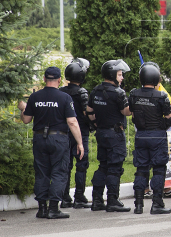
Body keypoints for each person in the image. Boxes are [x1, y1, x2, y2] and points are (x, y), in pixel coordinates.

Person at [19, 67, 84, 219]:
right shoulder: (65, 97)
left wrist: (23, 109)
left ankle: (42, 208)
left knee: (41, 173)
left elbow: (26, 120)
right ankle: (54, 209)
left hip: (40, 138)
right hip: (59, 139)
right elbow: (72, 122)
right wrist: (80, 143)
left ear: (44, 79)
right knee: (59, 172)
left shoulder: (35, 97)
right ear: (60, 80)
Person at [129, 62, 171, 215]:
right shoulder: (161, 96)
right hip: (157, 135)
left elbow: (133, 115)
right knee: (159, 170)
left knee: (141, 170)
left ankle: (139, 205)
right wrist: (162, 127)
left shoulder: (134, 94)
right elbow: (169, 118)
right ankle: (157, 203)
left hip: (141, 135)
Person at [89, 59, 132, 212]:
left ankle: (97, 200)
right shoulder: (118, 93)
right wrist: (132, 104)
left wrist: (97, 122)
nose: (122, 78)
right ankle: (113, 200)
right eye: (120, 75)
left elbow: (89, 111)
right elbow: (125, 112)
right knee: (114, 168)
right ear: (112, 75)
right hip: (115, 135)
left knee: (103, 166)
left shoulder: (95, 90)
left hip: (101, 133)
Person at [59, 58, 92, 209]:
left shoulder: (61, 92)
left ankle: (65, 198)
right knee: (81, 164)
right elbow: (86, 113)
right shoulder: (82, 92)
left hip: (64, 132)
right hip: (81, 132)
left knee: (66, 165)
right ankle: (79, 196)